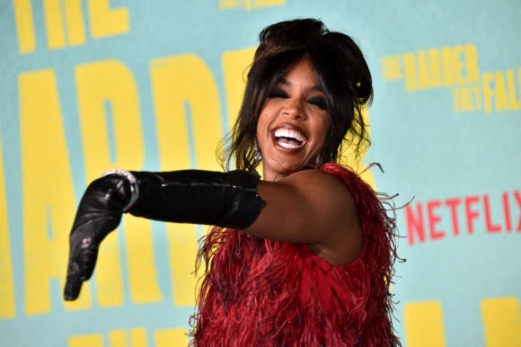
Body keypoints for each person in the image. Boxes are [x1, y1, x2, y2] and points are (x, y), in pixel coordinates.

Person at [64, 18, 402, 346]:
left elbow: (233, 199)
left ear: (335, 127)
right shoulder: (239, 247)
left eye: (316, 101)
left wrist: (128, 189)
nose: (293, 110)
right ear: (256, 110)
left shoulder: (330, 199)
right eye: (278, 93)